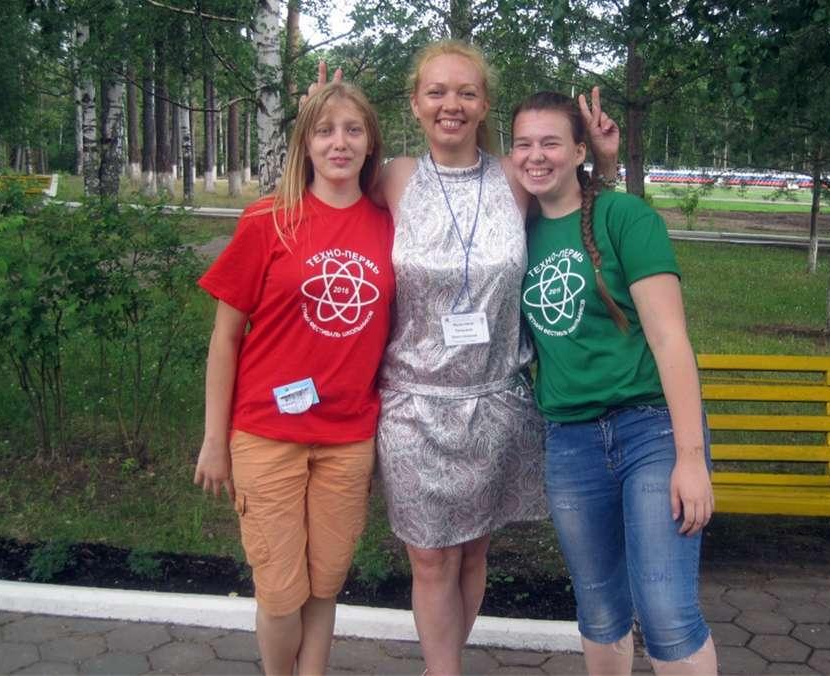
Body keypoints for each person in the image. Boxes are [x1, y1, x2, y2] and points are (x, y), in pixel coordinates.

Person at [306, 41, 618, 675]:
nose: (451, 104)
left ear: (484, 105)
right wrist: (319, 115)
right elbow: (323, 189)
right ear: (415, 104)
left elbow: (577, 208)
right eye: (437, 92)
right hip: (414, 406)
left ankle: (440, 665)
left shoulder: (513, 177)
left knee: (473, 552)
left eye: (466, 92)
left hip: (496, 402)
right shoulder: (393, 177)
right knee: (430, 557)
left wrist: (604, 162)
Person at [511, 91, 717, 675]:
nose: (535, 156)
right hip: (570, 441)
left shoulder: (626, 218)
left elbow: (670, 341)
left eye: (551, 142)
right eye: (523, 144)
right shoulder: (514, 231)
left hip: (650, 431)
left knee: (667, 614)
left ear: (579, 150)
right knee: (600, 611)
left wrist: (691, 459)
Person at [192, 82, 394, 676]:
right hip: (266, 433)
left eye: (353, 130)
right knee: (281, 591)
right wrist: (214, 440)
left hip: (348, 437)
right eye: (324, 131)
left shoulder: (390, 223)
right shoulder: (268, 220)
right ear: (304, 144)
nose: (339, 143)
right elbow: (225, 339)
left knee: (325, 585)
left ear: (371, 142)